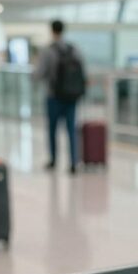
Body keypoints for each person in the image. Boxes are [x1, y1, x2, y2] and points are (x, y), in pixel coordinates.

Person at [34, 19, 87, 173]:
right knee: (71, 129)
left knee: (52, 129)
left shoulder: (48, 50)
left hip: (54, 96)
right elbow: (83, 70)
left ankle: (53, 160)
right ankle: (73, 163)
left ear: (52, 30)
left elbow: (39, 73)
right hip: (72, 96)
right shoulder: (74, 49)